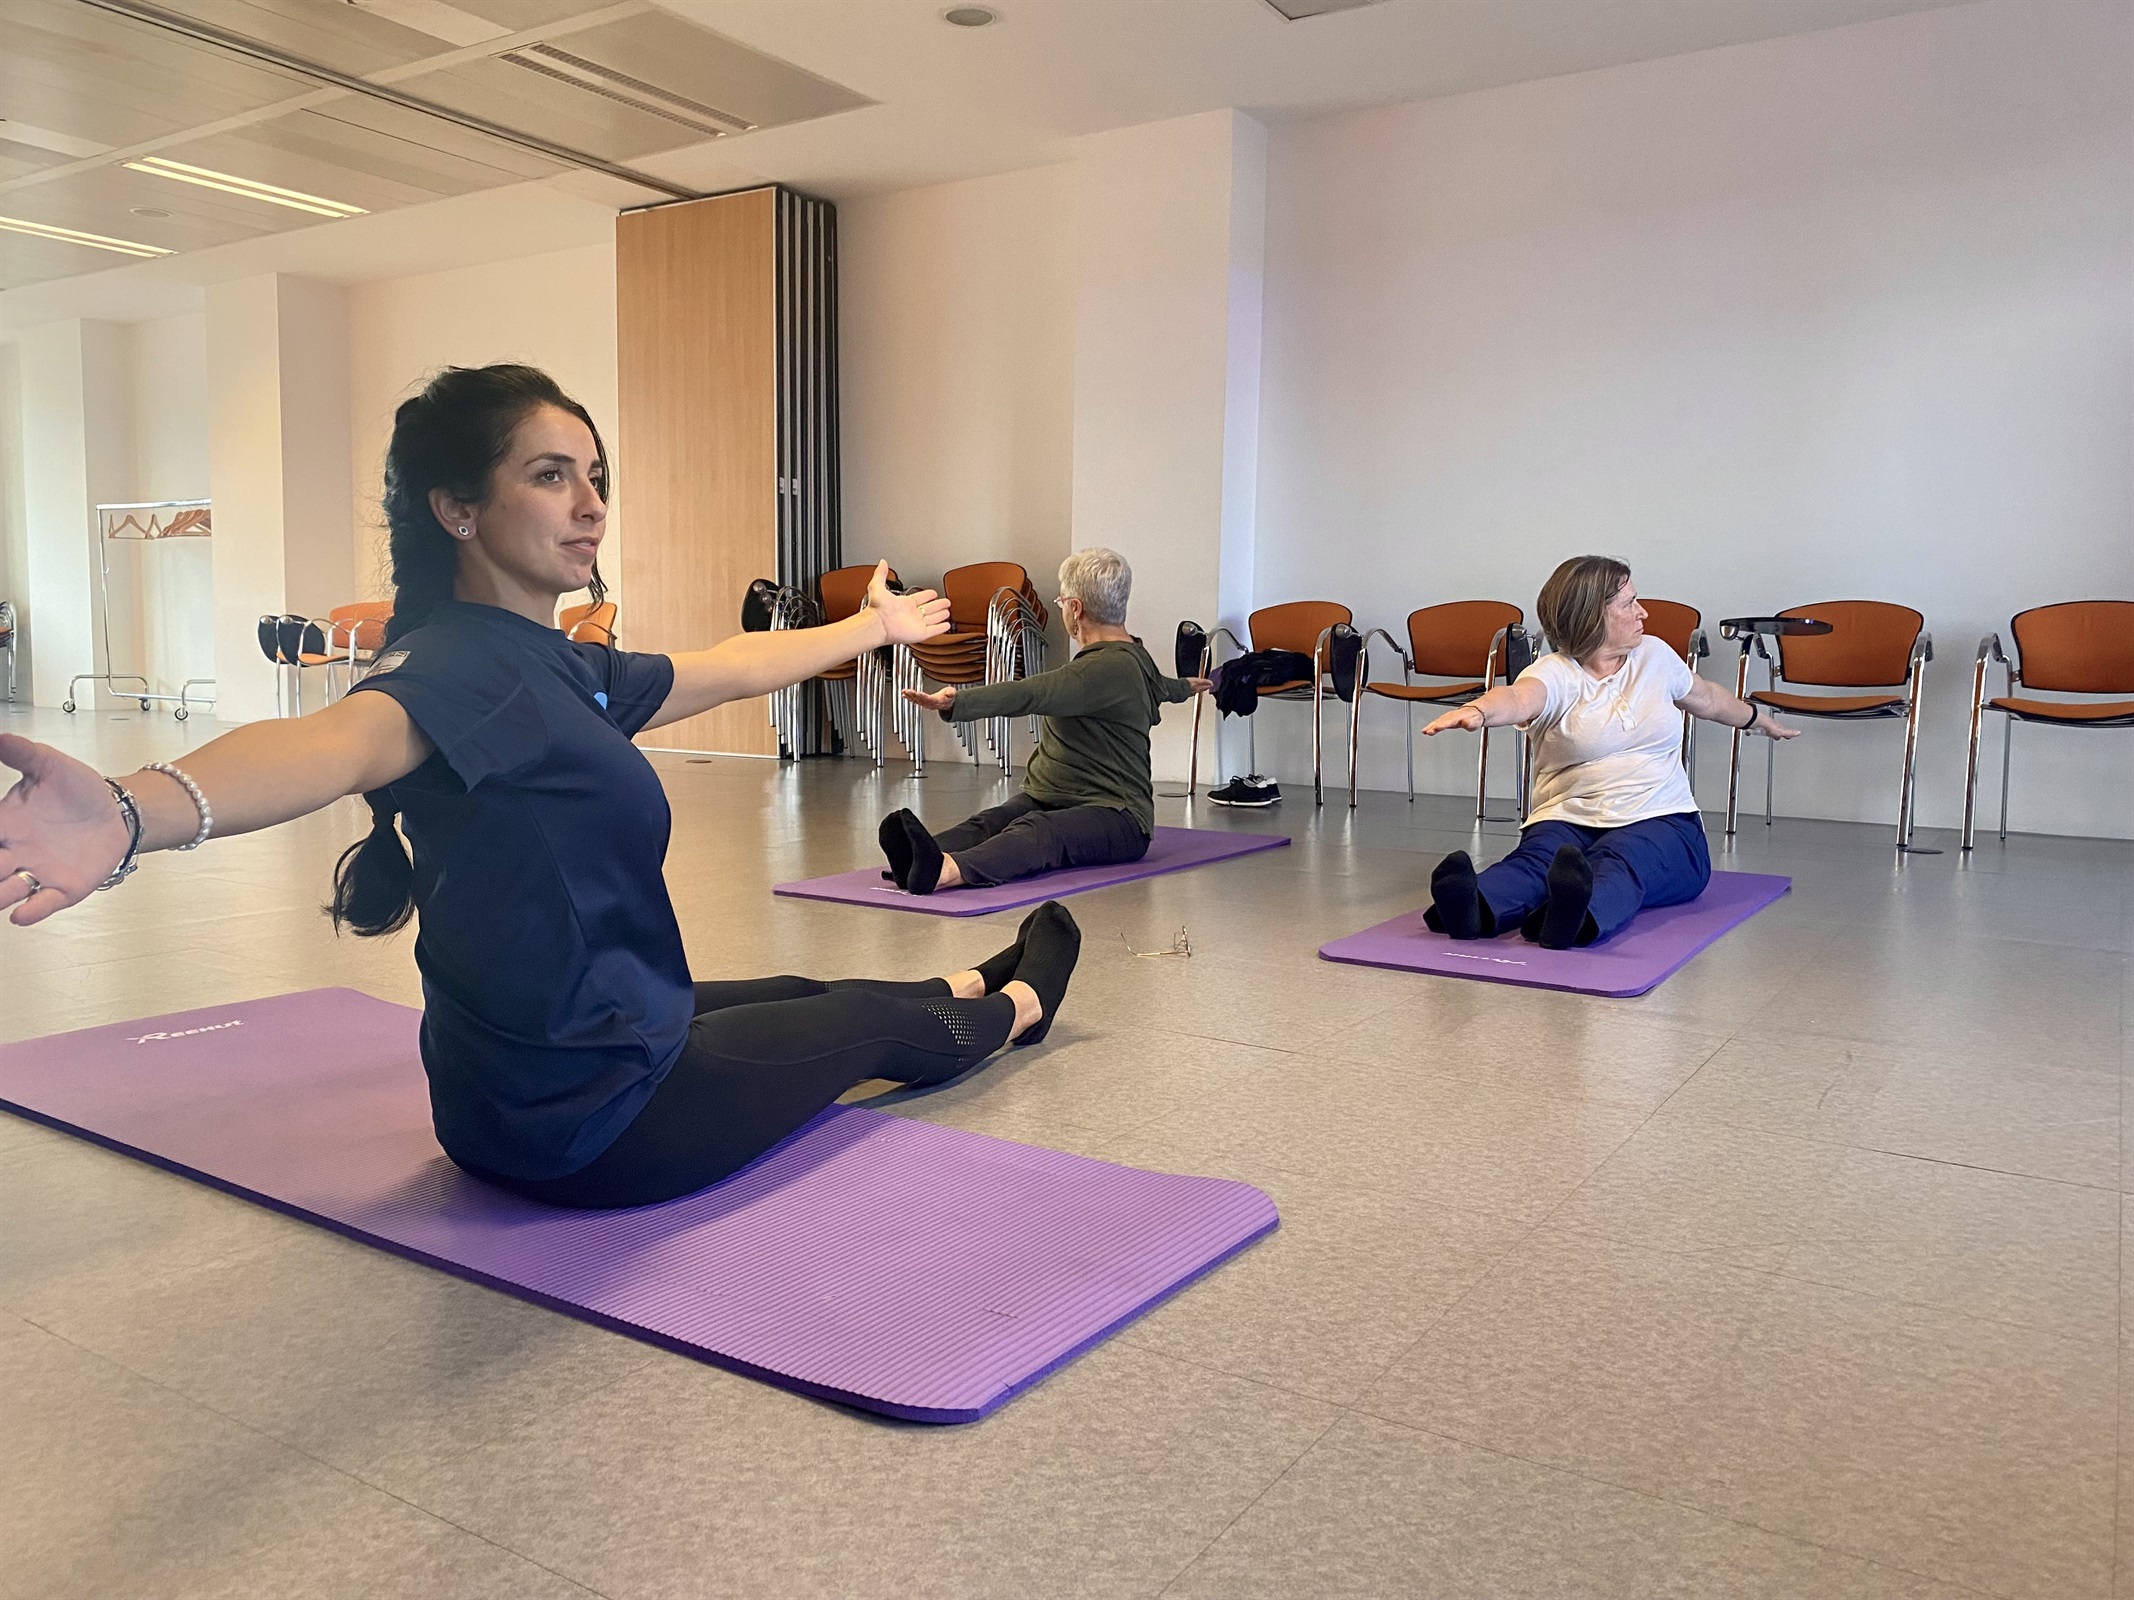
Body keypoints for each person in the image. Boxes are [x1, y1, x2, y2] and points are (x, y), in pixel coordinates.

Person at [0, 364, 1083, 1210]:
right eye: (550, 474)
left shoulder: (556, 662)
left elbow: (722, 666)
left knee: (799, 992)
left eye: (595, 475)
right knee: (854, 1025)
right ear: (459, 510)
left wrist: (872, 625)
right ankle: (1023, 1007)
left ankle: (962, 984)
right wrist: (134, 808)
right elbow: (331, 742)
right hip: (595, 1126)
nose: (591, 505)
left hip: (526, 1085)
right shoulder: (452, 668)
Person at [1418, 555, 1798, 948]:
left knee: (1622, 860)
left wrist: (1757, 719)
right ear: (1593, 616)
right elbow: (1516, 698)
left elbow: (1708, 698)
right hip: (1568, 818)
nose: (1643, 612)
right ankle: (1469, 908)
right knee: (1536, 864)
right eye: (1629, 604)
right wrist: (1477, 710)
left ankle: (1570, 916)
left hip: (1659, 819)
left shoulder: (1654, 655)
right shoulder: (1555, 673)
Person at [878, 547, 1210, 895]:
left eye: (1062, 600)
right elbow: (1159, 686)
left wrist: (958, 701)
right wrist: (1186, 687)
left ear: (1076, 608)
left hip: (1117, 818)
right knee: (993, 821)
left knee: (1040, 831)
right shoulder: (1135, 655)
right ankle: (918, 858)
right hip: (1054, 795)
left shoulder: (1095, 671)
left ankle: (947, 869)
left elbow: (1028, 693)